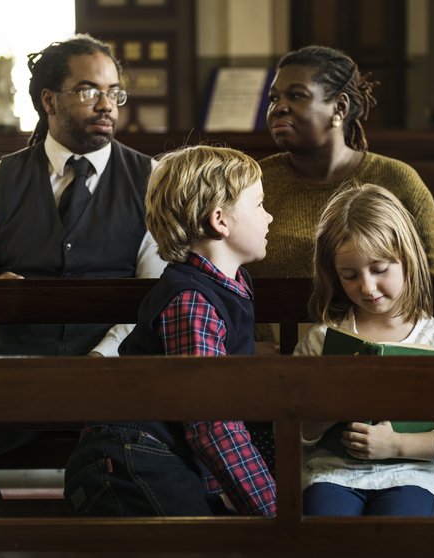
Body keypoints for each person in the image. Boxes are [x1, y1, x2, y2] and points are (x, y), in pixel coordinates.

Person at [0, 34, 165, 499]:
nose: (107, 104)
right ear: (49, 99)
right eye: (90, 90)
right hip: (18, 372)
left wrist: (100, 359)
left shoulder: (151, 181)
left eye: (114, 92)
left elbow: (158, 294)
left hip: (116, 375)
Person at [64, 145, 277, 516]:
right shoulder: (192, 301)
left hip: (154, 456)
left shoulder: (228, 286)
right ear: (220, 221)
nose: (269, 216)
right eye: (259, 204)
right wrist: (277, 511)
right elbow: (211, 423)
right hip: (127, 458)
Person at [294, 183, 434, 517]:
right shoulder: (322, 340)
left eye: (380, 269)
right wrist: (324, 413)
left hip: (414, 475)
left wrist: (398, 444)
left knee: (400, 527)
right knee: (324, 524)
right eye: (350, 275)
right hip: (335, 474)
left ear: (406, 259)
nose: (367, 287)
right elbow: (289, 430)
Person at [248, 45, 434, 279]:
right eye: (273, 98)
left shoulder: (397, 180)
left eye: (296, 95)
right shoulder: (254, 183)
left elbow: (430, 280)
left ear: (339, 108)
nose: (278, 107)